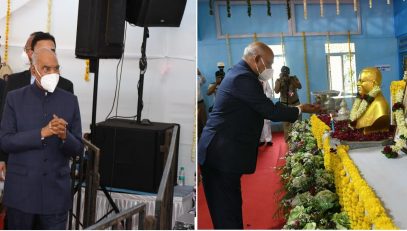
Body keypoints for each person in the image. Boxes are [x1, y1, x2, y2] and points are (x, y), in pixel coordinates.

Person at [198, 42, 320, 229]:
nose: (270, 69)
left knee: (230, 206)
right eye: (269, 64)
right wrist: (300, 109)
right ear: (256, 60)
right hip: (220, 153)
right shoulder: (242, 78)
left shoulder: (241, 74)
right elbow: (269, 110)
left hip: (225, 151)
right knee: (226, 212)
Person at [0, 47, 83, 229]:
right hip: (21, 194)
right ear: (34, 70)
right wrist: (41, 133)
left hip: (55, 197)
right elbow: (5, 141)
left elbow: (78, 148)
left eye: (56, 68)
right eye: (47, 68)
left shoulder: (70, 101)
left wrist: (64, 136)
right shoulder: (14, 98)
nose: (53, 73)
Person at [0, 32, 74, 177]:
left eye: (52, 50)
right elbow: (4, 123)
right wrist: (1, 158)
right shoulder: (14, 82)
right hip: (19, 165)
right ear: (31, 54)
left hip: (53, 168)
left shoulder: (66, 86)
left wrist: (64, 134)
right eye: (43, 51)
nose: (48, 54)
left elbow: (71, 133)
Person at [351, 67, 389, 134]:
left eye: (362, 81)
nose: (357, 84)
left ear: (374, 83)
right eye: (358, 81)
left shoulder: (379, 105)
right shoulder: (363, 100)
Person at [274, 66, 302, 140]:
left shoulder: (293, 78)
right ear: (281, 73)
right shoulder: (278, 80)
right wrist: (280, 81)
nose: (285, 76)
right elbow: (276, 91)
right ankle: (287, 142)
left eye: (287, 74)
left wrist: (292, 82)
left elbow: (299, 86)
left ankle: (298, 140)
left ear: (289, 73)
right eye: (284, 74)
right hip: (284, 105)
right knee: (286, 125)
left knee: (297, 123)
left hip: (295, 104)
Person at [259, 80, 273, 146]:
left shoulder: (265, 81)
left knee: (266, 122)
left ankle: (268, 140)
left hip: (265, 102)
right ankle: (261, 140)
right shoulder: (253, 79)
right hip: (255, 103)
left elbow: (269, 91)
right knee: (258, 122)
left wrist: (266, 98)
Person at [197, 68, 207, 139]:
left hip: (200, 102)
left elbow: (204, 81)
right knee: (197, 122)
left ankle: (205, 136)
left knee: (203, 119)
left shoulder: (197, 78)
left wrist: (199, 73)